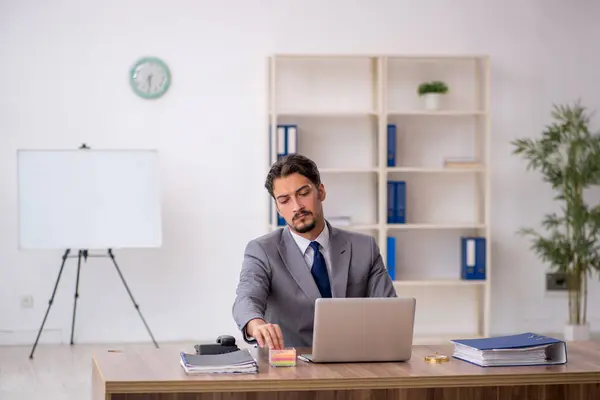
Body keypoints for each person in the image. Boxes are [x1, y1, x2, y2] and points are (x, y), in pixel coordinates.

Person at [232, 154, 397, 350]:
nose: (297, 207)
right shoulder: (262, 251)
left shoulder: (364, 247)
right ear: (277, 208)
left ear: (321, 191)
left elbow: (391, 313)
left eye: (303, 193)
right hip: (290, 366)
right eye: (285, 200)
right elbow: (246, 298)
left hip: (355, 360)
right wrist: (256, 323)